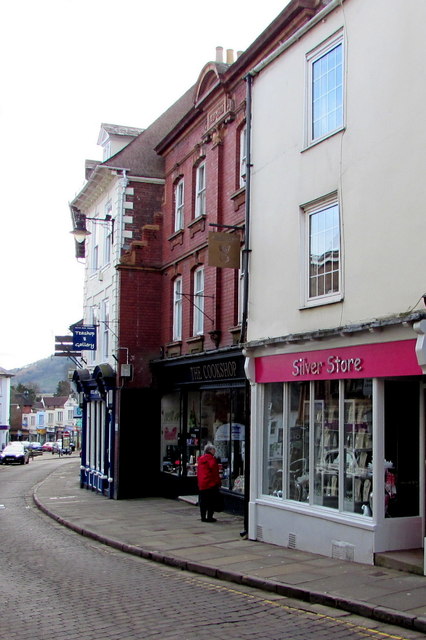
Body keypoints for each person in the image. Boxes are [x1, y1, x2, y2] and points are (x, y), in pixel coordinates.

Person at [197, 443, 221, 522]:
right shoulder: (211, 459)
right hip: (210, 483)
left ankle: (203, 517)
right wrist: (218, 482)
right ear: (210, 450)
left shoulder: (200, 459)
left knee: (203, 501)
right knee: (211, 501)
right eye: (214, 449)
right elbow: (215, 472)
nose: (215, 451)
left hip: (202, 484)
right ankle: (209, 517)